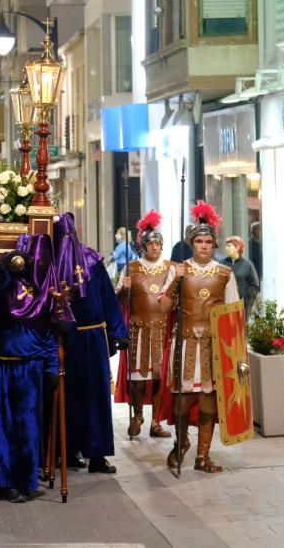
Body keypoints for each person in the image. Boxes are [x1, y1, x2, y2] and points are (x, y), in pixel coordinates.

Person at [0, 233, 58, 503]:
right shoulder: (3, 282)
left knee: (26, 428)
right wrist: (2, 267)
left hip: (30, 368)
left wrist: (52, 365)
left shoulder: (44, 289)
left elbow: (51, 331)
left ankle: (21, 481)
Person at [158, 201, 240, 474]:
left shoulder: (225, 274)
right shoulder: (178, 270)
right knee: (181, 399)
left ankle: (203, 456)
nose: (204, 246)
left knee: (208, 400)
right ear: (192, 244)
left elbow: (233, 316)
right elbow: (163, 308)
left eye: (208, 242)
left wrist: (236, 356)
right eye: (199, 241)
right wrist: (174, 282)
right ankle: (182, 443)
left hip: (212, 347)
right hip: (184, 343)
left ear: (214, 245)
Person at [55, 213, 128, 474]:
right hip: (66, 339)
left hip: (94, 338)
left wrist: (119, 331)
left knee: (97, 398)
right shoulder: (50, 262)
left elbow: (108, 298)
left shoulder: (92, 261)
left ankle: (97, 455)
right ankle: (70, 450)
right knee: (69, 397)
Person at [115, 210, 173, 439]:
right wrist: (124, 290)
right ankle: (137, 414)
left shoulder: (171, 268)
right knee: (138, 379)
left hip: (162, 330)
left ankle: (156, 421)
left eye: (158, 243)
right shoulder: (131, 268)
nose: (155, 247)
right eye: (151, 243)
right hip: (138, 330)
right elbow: (118, 299)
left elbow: (176, 299)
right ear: (143, 245)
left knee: (159, 378)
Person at [223, 236, 261, 317]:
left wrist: (246, 298)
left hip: (242, 306)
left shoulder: (247, 265)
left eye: (229, 246)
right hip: (224, 306)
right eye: (226, 246)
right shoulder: (221, 264)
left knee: (241, 328)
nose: (226, 248)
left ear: (237, 247)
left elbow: (255, 285)